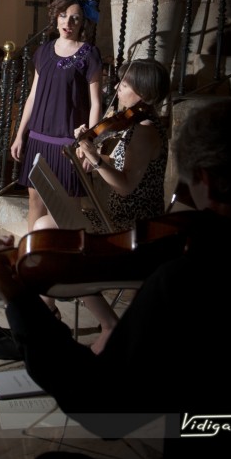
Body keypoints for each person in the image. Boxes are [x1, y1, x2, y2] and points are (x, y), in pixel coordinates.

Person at [0, 98, 231, 458]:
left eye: (185, 186)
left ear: (208, 182)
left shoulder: (187, 279)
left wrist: (20, 299)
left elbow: (103, 408)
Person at [34, 57, 171, 350]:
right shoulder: (138, 125)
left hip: (132, 226)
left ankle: (107, 323)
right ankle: (46, 308)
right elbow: (127, 166)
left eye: (125, 84)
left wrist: (94, 157)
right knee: (47, 228)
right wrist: (91, 154)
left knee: (52, 232)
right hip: (120, 215)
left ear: (144, 94)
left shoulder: (145, 131)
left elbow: (124, 186)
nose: (118, 89)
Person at [10, 0, 102, 232]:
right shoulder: (44, 51)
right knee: (35, 202)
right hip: (38, 139)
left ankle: (62, 261)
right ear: (55, 17)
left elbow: (95, 103)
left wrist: (88, 143)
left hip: (67, 145)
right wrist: (20, 135)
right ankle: (29, 256)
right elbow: (32, 97)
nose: (68, 22)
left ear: (83, 22)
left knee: (66, 209)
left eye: (75, 18)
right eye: (63, 15)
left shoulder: (89, 54)